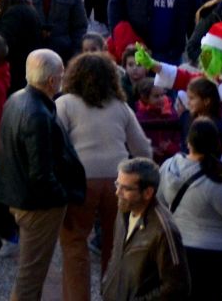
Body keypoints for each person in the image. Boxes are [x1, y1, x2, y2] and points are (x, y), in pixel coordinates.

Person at [57, 50, 152, 298]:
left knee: (74, 243)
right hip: (119, 181)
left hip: (80, 180)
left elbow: (54, 144)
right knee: (115, 245)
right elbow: (142, 149)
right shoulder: (121, 107)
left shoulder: (65, 104)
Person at [0, 49, 84, 300]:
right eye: (61, 75)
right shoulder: (37, 114)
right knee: (31, 274)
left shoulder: (16, 99)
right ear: (52, 80)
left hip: (20, 196)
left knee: (31, 270)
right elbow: (41, 174)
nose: (63, 79)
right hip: (37, 205)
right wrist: (62, 196)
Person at [160, 119, 222, 301]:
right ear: (216, 145)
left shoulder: (169, 167)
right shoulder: (215, 183)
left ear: (189, 142)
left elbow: (160, 203)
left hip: (177, 249)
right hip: (212, 254)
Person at [100, 156, 190, 301]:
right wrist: (106, 285)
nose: (117, 192)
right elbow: (117, 254)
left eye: (126, 188)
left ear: (148, 193)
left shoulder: (163, 231)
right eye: (117, 184)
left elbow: (177, 286)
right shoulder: (124, 209)